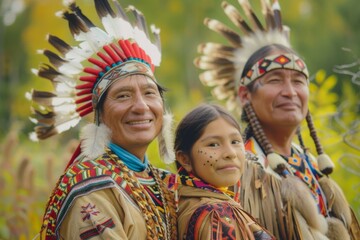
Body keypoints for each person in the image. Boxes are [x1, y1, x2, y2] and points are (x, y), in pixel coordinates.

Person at [194, 1, 360, 240]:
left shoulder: (311, 165)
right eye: (275, 80)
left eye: (298, 81)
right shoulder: (235, 168)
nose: (290, 92)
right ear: (245, 95)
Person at [27, 0, 177, 239]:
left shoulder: (165, 183)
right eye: (123, 96)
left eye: (150, 93)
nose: (141, 106)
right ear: (100, 115)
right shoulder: (90, 190)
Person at [174, 103, 274, 240]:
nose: (230, 153)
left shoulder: (185, 202)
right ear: (185, 159)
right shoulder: (217, 214)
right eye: (213, 144)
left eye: (235, 141)